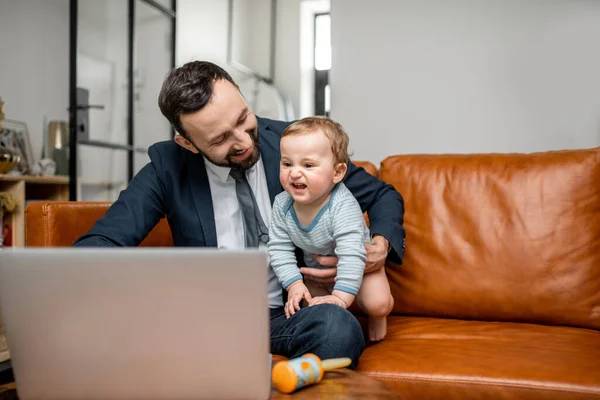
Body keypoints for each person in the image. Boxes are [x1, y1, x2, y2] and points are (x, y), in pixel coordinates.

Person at [73, 61, 406, 368]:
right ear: (188, 143)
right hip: (204, 321)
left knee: (338, 328)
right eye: (220, 138)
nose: (244, 141)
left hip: (285, 313)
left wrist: (379, 246)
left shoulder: (293, 146)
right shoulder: (167, 168)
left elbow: (382, 195)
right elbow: (104, 240)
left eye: (243, 118)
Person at [268, 116, 394, 342]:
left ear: (337, 173)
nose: (295, 173)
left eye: (307, 165)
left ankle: (377, 317)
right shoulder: (282, 204)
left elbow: (352, 254)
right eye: (287, 164)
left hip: (359, 264)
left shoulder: (342, 207)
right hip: (314, 271)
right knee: (309, 307)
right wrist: (294, 283)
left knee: (378, 303)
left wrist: (340, 298)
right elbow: (279, 248)